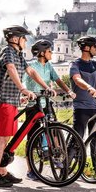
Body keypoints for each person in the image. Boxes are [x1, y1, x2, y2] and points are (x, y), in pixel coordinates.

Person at [0, 25, 55, 188]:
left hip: (12, 100)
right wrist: (23, 89)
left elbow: (31, 72)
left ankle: (3, 171)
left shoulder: (18, 55)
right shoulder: (8, 51)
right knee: (3, 138)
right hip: (3, 99)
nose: (26, 41)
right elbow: (10, 68)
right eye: (24, 38)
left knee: (7, 137)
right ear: (15, 39)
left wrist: (46, 87)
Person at [23, 39, 76, 180]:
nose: (52, 53)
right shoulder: (31, 66)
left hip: (46, 103)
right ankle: (30, 170)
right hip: (33, 105)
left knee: (54, 129)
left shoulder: (49, 66)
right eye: (49, 51)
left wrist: (69, 91)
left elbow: (58, 80)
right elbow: (23, 81)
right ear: (42, 53)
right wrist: (25, 94)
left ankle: (57, 157)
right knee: (32, 137)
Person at [70, 36, 96, 139]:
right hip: (81, 108)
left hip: (95, 108)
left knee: (95, 143)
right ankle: (69, 155)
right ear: (87, 48)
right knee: (76, 141)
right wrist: (89, 87)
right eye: (94, 46)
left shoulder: (95, 64)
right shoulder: (75, 64)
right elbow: (77, 79)